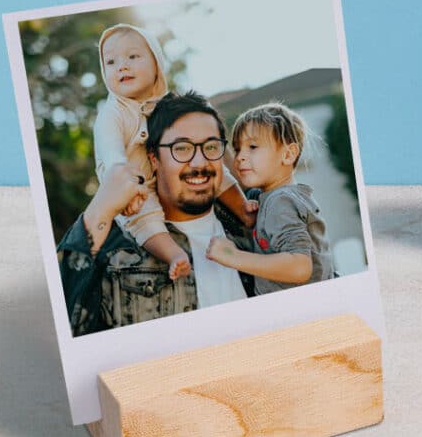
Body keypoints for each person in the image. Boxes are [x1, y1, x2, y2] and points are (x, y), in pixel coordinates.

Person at [58, 91, 253, 336]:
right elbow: (66, 326)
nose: (198, 162)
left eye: (211, 146)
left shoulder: (256, 228)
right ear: (154, 159)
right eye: (181, 148)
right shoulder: (117, 248)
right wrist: (100, 209)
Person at [93, 24, 253, 280]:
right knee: (146, 217)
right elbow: (113, 156)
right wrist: (127, 190)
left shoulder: (169, 106)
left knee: (208, 163)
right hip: (128, 187)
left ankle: (244, 209)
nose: (122, 66)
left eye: (133, 57)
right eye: (111, 62)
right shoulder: (112, 114)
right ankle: (174, 255)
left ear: (157, 64)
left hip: (165, 177)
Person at [206, 102, 334, 293]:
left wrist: (232, 256)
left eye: (253, 146)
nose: (239, 156)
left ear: (288, 154)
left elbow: (300, 266)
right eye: (237, 148)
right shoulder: (274, 198)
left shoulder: (280, 202)